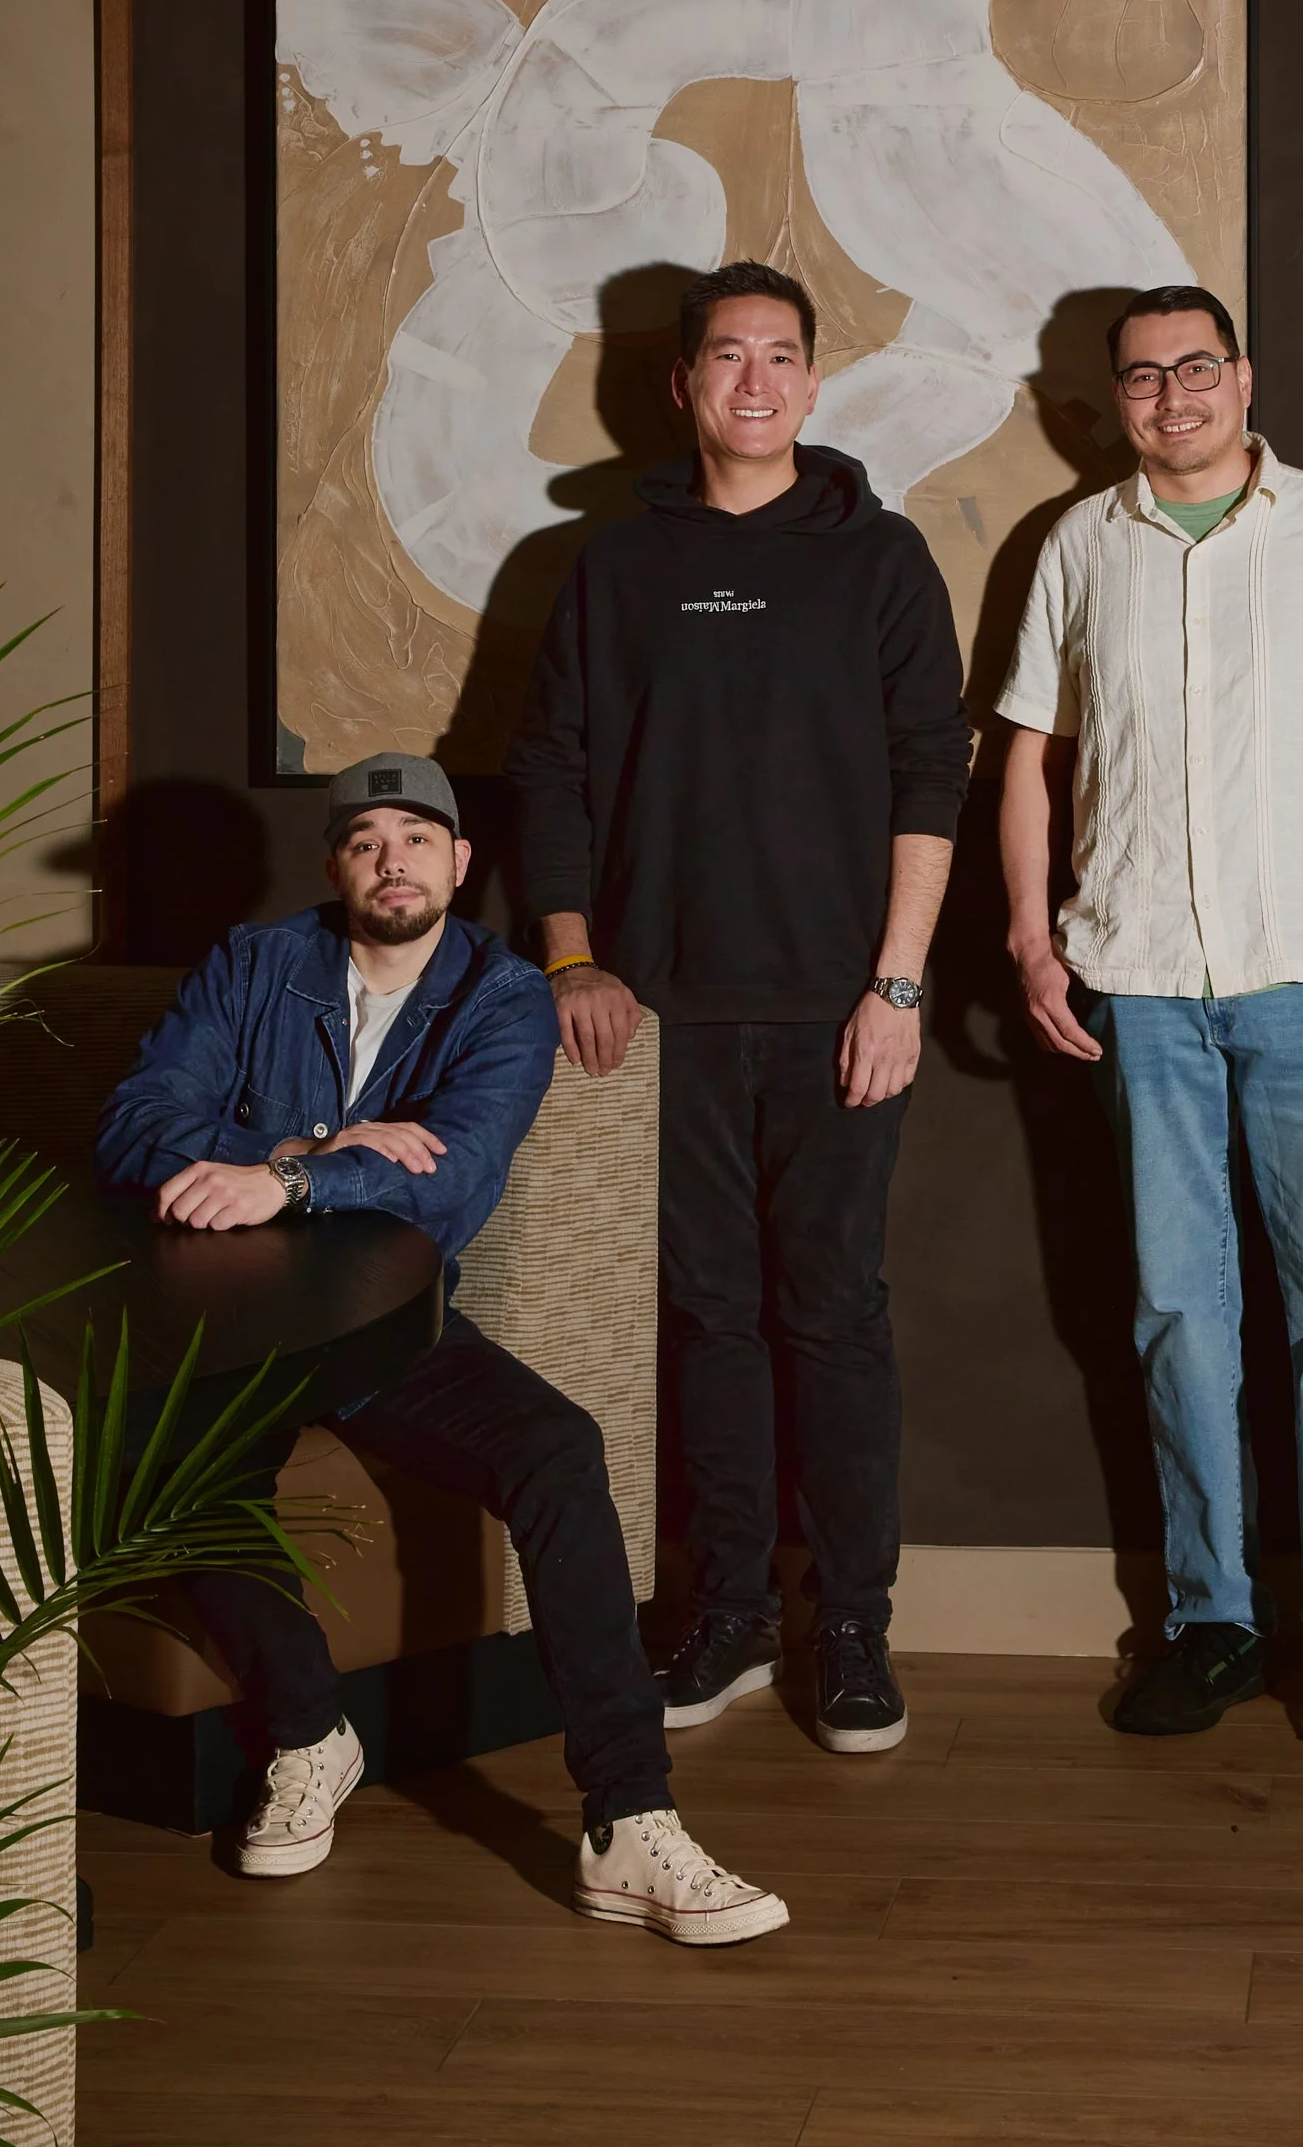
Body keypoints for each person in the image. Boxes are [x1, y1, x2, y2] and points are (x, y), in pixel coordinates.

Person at [94, 750, 788, 1943]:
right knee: (175, 1474)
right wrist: (309, 1153)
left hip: (381, 1325)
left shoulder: (502, 997)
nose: (392, 861)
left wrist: (276, 1178)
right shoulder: (253, 964)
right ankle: (307, 1732)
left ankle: (629, 1820)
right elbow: (131, 1128)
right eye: (366, 841)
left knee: (557, 1448)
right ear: (334, 865)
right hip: (225, 1325)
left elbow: (452, 1177)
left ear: (460, 861)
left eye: (416, 838)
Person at [506, 262, 971, 1756]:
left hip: (843, 1007)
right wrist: (573, 959)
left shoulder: (881, 557)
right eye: (727, 356)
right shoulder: (613, 566)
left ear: (813, 385)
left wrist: (897, 984)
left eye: (781, 356)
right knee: (706, 1318)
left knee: (831, 1314)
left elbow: (931, 772)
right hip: (663, 1017)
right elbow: (554, 769)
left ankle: (851, 1624)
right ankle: (728, 1613)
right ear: (683, 385)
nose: (755, 380)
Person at [995, 284, 1303, 1783]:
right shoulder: (1079, 545)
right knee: (1177, 1314)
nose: (1172, 395)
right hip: (1140, 985)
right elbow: (1031, 753)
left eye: (1196, 367)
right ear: (1112, 400)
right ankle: (1212, 1622)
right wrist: (1029, 935)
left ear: (1243, 379)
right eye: (1142, 377)